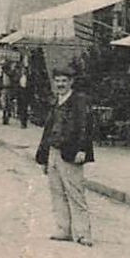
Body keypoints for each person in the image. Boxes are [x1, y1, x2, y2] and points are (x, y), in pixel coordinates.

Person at [35, 67, 95, 246]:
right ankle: (63, 229)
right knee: (57, 193)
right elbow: (47, 130)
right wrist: (43, 157)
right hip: (53, 151)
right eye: (58, 81)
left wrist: (82, 149)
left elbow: (86, 126)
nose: (60, 84)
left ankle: (83, 233)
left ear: (71, 82)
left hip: (71, 152)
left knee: (75, 193)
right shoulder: (56, 102)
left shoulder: (80, 101)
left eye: (64, 81)